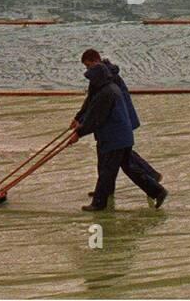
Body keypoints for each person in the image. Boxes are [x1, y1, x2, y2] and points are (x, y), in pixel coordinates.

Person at [70, 49, 167, 211]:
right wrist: (79, 118)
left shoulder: (106, 91)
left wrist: (79, 133)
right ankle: (157, 190)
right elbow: (92, 106)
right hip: (121, 134)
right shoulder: (106, 87)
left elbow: (96, 117)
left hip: (115, 135)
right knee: (126, 166)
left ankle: (100, 202)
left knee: (109, 168)